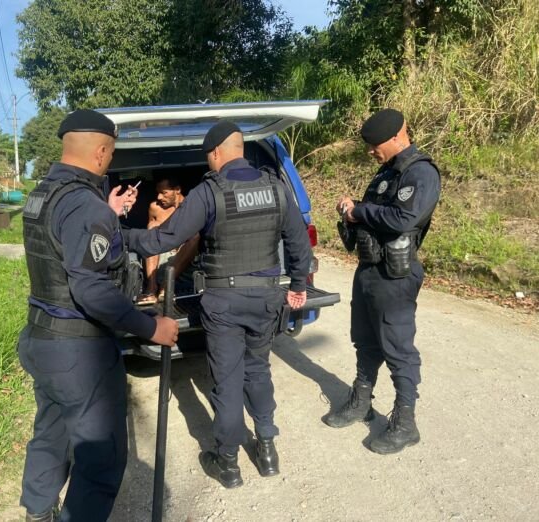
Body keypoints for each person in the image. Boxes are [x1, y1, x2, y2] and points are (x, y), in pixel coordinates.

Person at [125, 120, 312, 488]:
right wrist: (298, 285)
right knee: (258, 370)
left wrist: (117, 234)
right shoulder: (275, 187)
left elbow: (162, 240)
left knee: (227, 380)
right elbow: (298, 243)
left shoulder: (210, 193)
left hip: (225, 302)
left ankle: (228, 462)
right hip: (266, 299)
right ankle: (267, 450)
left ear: (214, 153)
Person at [17, 109, 179, 522]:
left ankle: (37, 512)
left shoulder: (44, 194)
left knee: (52, 433)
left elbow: (87, 242)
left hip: (41, 339)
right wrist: (151, 327)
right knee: (101, 457)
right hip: (79, 351)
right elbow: (90, 288)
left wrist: (141, 231)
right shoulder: (85, 205)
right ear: (102, 151)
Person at [327, 108, 441, 455]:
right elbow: (376, 213)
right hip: (369, 270)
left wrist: (360, 211)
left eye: (375, 145)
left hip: (395, 276)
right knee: (364, 341)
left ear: (396, 137)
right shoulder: (386, 172)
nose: (370, 151)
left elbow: (404, 218)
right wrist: (352, 208)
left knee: (398, 348)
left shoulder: (420, 172)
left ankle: (405, 423)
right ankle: (361, 401)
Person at [138, 173, 199, 304]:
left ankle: (166, 287)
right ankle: (151, 287)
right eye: (158, 193)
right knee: (152, 227)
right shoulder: (155, 208)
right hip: (160, 253)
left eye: (164, 193)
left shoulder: (192, 208)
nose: (159, 197)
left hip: (183, 256)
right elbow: (150, 236)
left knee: (195, 236)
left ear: (177, 190)